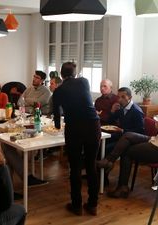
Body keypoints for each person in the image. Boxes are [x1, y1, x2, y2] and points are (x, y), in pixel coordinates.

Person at [53, 62, 101, 216]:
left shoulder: (58, 91)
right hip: (93, 126)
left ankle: (77, 205)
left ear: (61, 75)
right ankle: (93, 205)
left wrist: (58, 125)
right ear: (75, 73)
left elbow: (56, 115)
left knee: (75, 168)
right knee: (91, 165)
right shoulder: (84, 81)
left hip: (74, 128)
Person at [101, 107, 158, 198]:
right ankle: (109, 160)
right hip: (154, 140)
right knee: (128, 135)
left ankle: (122, 187)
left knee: (126, 152)